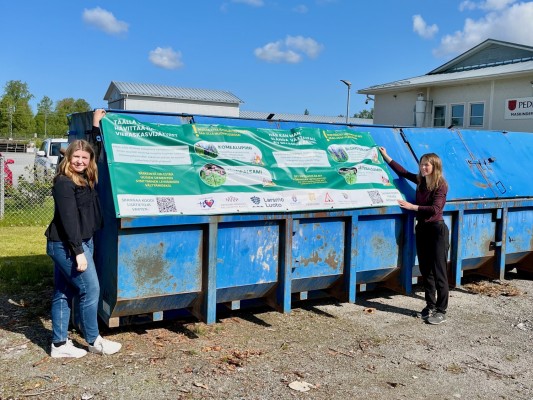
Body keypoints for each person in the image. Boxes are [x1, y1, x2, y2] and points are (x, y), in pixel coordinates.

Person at [45, 109, 122, 357]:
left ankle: (59, 344)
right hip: (67, 245)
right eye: (75, 156)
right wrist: (79, 252)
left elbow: (97, 152)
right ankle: (93, 340)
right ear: (67, 158)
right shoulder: (64, 182)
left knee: (63, 292)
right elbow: (68, 221)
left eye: (83, 157)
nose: (80, 160)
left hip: (79, 243)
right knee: (91, 289)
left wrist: (95, 126)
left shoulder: (85, 177)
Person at [378, 147, 450, 325]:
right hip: (423, 230)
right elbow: (402, 172)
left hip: (437, 231)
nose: (423, 167)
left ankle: (441, 310)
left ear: (435, 167)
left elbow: (436, 209)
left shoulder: (441, 184)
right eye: (422, 164)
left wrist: (412, 207)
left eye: (427, 165)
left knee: (439, 271)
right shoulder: (420, 181)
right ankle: (430, 305)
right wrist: (386, 156)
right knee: (426, 271)